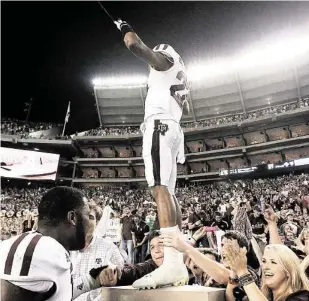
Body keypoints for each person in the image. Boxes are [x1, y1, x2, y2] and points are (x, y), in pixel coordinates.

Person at [114, 18, 190, 289]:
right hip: (172, 128)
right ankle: (177, 258)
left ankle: (170, 263)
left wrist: (124, 27)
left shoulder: (166, 59)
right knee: (167, 192)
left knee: (158, 190)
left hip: (160, 125)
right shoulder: (180, 75)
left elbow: (136, 45)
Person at [0, 187, 107, 301]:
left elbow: (57, 294)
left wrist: (92, 280)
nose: (89, 223)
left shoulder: (50, 248)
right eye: (87, 216)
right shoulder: (36, 250)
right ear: (72, 217)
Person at [71, 202, 125, 301]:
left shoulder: (109, 248)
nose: (86, 221)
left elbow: (119, 282)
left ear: (97, 222)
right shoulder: (64, 249)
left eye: (91, 217)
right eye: (83, 216)